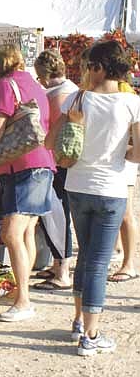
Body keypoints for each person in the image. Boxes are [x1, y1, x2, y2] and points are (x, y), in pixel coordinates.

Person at [46, 40, 140, 356]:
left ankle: (77, 320)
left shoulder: (77, 98)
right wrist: (118, 152)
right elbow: (138, 153)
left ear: (98, 67)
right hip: (110, 188)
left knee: (86, 257)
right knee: (99, 263)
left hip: (77, 184)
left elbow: (49, 140)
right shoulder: (131, 103)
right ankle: (91, 334)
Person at [0, 44, 55, 322]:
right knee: (24, 233)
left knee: (11, 233)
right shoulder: (34, 85)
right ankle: (21, 293)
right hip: (41, 164)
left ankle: (23, 300)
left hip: (24, 168)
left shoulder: (5, 86)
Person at [32, 49, 80, 290]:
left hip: (58, 162)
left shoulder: (59, 95)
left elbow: (49, 129)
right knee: (58, 213)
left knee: (57, 213)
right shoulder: (71, 89)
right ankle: (57, 263)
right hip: (64, 161)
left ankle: (63, 271)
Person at [107, 75, 139, 282]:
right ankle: (117, 249)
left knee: (126, 212)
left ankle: (129, 264)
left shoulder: (124, 93)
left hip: (124, 157)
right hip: (119, 157)